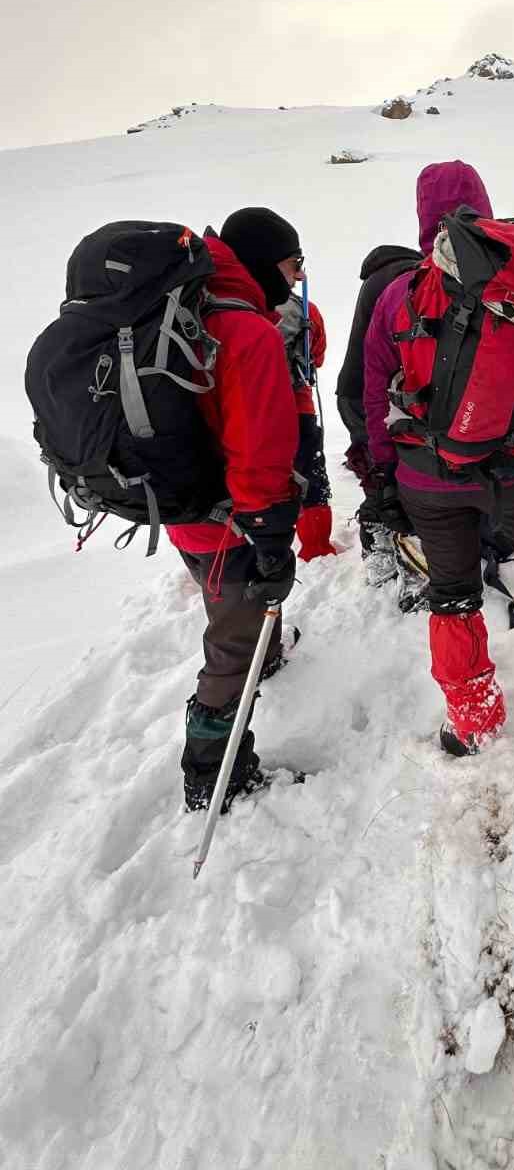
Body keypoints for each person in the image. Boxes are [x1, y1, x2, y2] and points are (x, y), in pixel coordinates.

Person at [361, 162, 514, 756]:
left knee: (452, 592)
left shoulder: (396, 295)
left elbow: (372, 389)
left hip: (428, 476)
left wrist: (383, 476)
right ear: (485, 205)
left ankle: (474, 715)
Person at [166, 207, 303, 811]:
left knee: (230, 609)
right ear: (261, 261)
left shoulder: (194, 314)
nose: (297, 278)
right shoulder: (245, 332)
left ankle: (262, 656)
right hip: (229, 522)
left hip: (185, 512)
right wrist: (272, 536)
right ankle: (213, 773)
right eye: (291, 264)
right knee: (229, 643)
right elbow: (260, 453)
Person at [335, 237, 425, 566]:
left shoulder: (379, 277)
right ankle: (380, 549)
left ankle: (381, 546)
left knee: (375, 469)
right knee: (382, 474)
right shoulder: (401, 277)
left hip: (353, 391)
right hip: (369, 393)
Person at [275, 288, 338, 561]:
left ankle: (260, 547)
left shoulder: (238, 305)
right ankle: (316, 547)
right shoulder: (303, 307)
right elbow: (318, 356)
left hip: (250, 408)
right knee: (311, 477)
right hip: (300, 406)